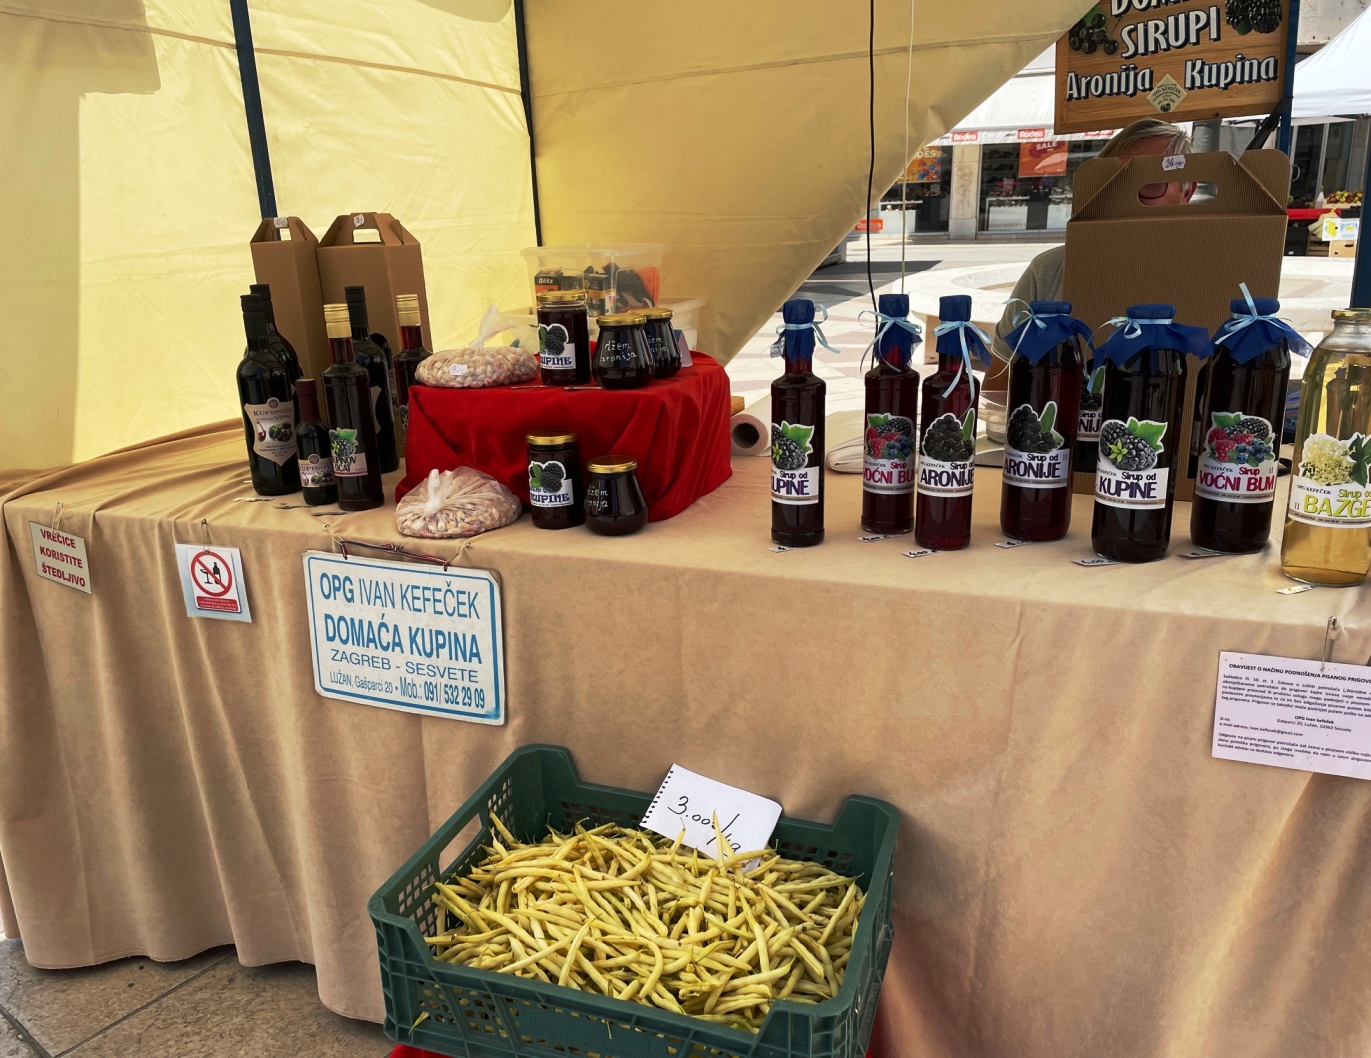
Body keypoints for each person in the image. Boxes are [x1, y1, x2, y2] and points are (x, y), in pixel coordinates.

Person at [992, 118, 1197, 359]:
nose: (1126, 197)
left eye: (1150, 183)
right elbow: (1003, 373)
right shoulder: (1050, 270)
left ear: (1187, 191)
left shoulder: (1220, 272)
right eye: (1114, 182)